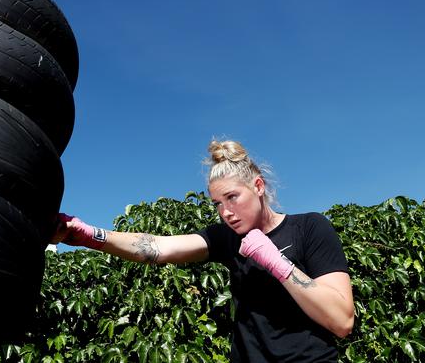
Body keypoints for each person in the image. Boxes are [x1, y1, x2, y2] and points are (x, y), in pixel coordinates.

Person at [53, 139, 354, 362]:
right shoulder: (227, 237)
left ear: (259, 186)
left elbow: (342, 321)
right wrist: (91, 235)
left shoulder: (310, 228)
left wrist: (277, 262)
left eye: (232, 197)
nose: (225, 212)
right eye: (217, 204)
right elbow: (159, 248)